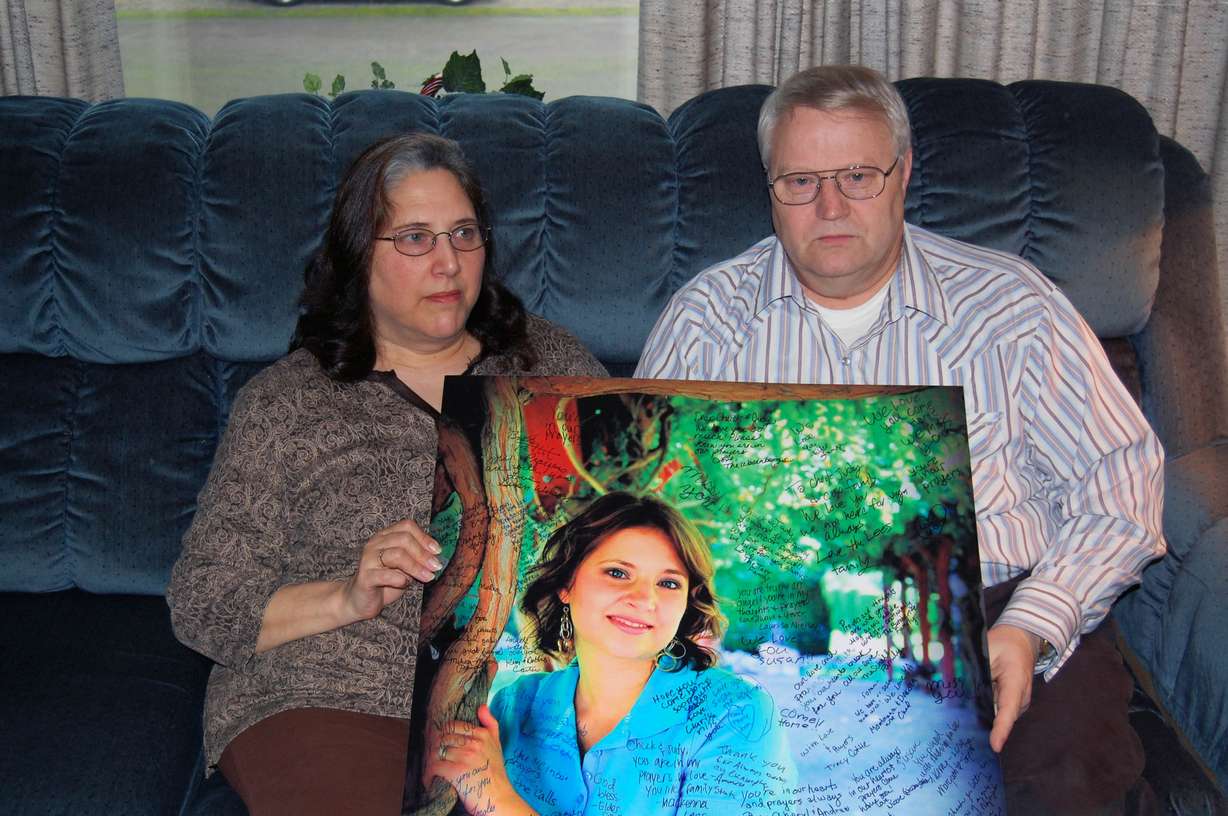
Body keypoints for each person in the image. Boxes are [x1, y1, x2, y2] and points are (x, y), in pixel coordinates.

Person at [635, 65, 1165, 815]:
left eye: (857, 176)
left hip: (990, 610)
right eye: (801, 182)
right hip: (774, 630)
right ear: (770, 188)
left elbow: (1124, 479)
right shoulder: (706, 322)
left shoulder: (1011, 308)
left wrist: (1034, 623)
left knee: (1069, 782)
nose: (830, 206)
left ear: (904, 172)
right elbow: (648, 508)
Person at [166, 132, 606, 815]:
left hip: (512, 703)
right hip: (329, 696)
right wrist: (348, 595)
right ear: (356, 256)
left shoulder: (549, 365)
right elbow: (201, 603)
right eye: (415, 239)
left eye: (464, 234)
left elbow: (628, 508)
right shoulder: (289, 401)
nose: (448, 263)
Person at [425, 491, 798, 815]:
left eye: (669, 583)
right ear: (567, 583)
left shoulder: (737, 713)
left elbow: (490, 799)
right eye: (618, 573)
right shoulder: (514, 706)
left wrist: (498, 799)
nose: (644, 599)